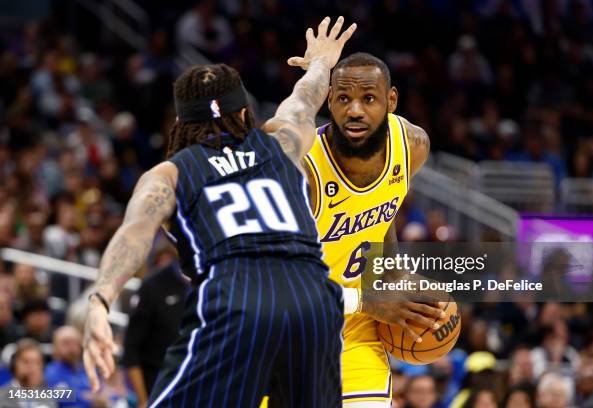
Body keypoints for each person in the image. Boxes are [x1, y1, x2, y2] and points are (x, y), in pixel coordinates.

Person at [83, 16, 356, 408]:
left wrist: (100, 301)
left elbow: (134, 233)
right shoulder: (283, 143)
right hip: (313, 297)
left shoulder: (170, 174)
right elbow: (304, 100)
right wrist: (321, 63)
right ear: (245, 112)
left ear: (179, 122)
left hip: (237, 299)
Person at [298, 52, 445, 406]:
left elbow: (383, 216)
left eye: (368, 99)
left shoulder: (412, 146)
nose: (355, 111)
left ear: (391, 100)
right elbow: (280, 285)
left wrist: (394, 276)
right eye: (344, 98)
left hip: (357, 336)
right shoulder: (303, 172)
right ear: (329, 100)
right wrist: (370, 300)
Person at [123, 258, 189, 407]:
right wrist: (142, 401)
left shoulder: (215, 281)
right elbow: (130, 348)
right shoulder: (152, 285)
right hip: (156, 386)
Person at [0, 338, 57, 408]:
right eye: (26, 362)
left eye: (37, 363)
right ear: (14, 365)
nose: (32, 368)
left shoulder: (47, 398)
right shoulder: (2, 397)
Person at [44, 326, 90, 407]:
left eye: (75, 343)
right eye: (66, 343)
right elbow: (59, 396)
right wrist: (88, 398)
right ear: (55, 347)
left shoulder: (86, 371)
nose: (72, 348)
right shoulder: (50, 372)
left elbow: (105, 393)